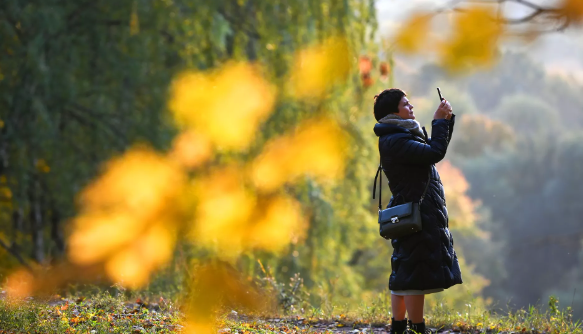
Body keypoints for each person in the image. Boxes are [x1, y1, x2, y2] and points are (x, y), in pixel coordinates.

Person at [373, 89, 463, 334]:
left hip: (415, 211)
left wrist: (445, 122)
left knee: (405, 270)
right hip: (416, 214)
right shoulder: (397, 140)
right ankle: (417, 329)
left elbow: (432, 153)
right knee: (414, 275)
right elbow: (435, 153)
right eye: (406, 104)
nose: (411, 107)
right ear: (393, 112)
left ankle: (399, 327)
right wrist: (439, 122)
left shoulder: (400, 134)